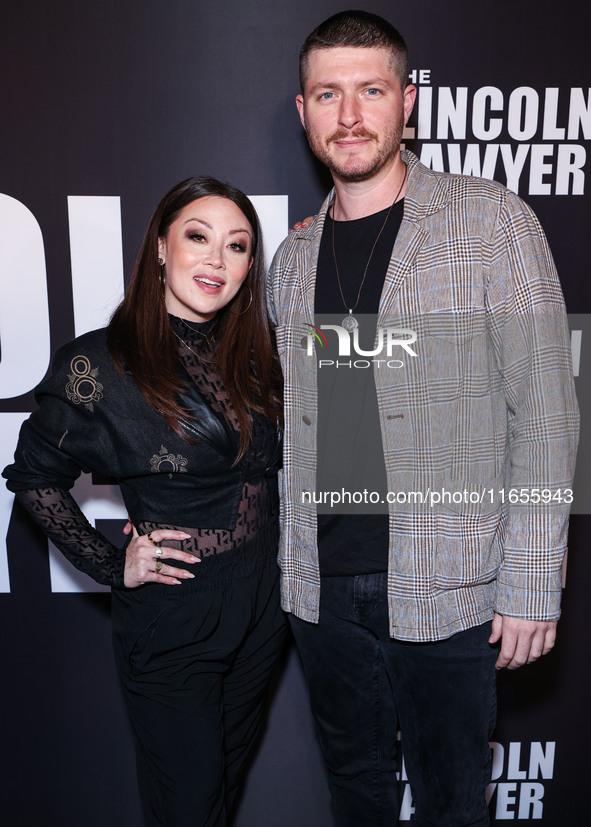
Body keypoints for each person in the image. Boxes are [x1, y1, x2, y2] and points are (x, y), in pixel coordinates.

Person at [268, 10, 578, 827]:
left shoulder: (490, 222)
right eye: (326, 94)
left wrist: (531, 581)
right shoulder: (292, 257)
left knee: (450, 806)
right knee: (357, 797)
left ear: (406, 102)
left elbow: (545, 411)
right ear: (302, 112)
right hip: (321, 586)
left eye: (369, 91)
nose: (348, 115)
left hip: (450, 583)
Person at [3, 177, 286, 827]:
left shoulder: (257, 350)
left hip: (266, 609)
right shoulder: (101, 364)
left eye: (237, 246)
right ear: (160, 246)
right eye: (198, 236)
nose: (216, 259)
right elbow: (35, 476)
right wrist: (111, 564)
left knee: (219, 791)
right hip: (175, 615)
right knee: (187, 806)